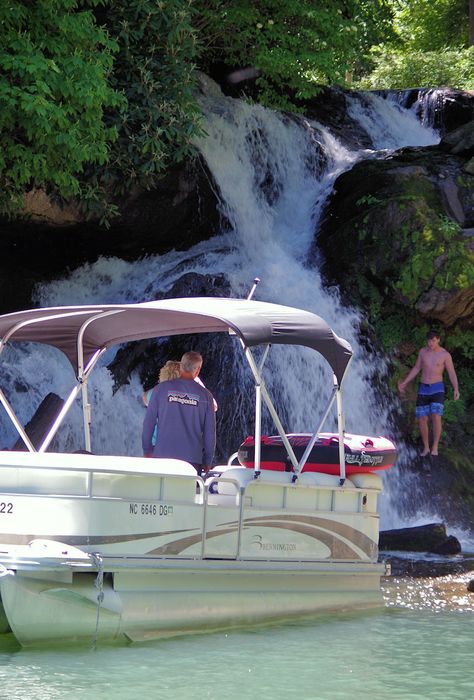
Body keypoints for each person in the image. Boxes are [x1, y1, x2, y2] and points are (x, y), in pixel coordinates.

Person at [142, 351, 216, 474]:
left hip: (162, 457)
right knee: (186, 493)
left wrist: (147, 450)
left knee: (161, 493)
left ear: (181, 366)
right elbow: (210, 432)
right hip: (191, 460)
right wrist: (208, 460)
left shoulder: (160, 389)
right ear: (197, 370)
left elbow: (148, 423)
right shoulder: (206, 395)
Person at [398, 330, 460, 457]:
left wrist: (456, 388)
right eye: (429, 340)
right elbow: (416, 368)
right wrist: (405, 382)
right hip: (423, 388)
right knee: (422, 418)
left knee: (436, 416)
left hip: (437, 388)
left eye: (433, 340)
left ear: (438, 340)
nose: (431, 343)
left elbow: (451, 373)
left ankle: (435, 446)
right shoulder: (423, 352)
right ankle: (426, 447)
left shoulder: (445, 355)